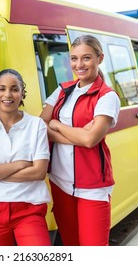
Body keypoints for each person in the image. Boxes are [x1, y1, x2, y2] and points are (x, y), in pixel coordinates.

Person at [40, 35, 121, 246]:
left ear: (99, 58)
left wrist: (57, 125)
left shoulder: (106, 96)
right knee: (71, 245)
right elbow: (40, 127)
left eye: (86, 58)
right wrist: (76, 134)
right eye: (74, 59)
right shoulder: (62, 89)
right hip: (59, 181)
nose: (79, 65)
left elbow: (90, 140)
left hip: (93, 187)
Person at [0, 69, 51, 246]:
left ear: (22, 93)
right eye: (2, 89)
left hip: (29, 208)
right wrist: (21, 164)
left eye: (14, 89)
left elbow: (38, 172)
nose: (8, 94)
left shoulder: (36, 125)